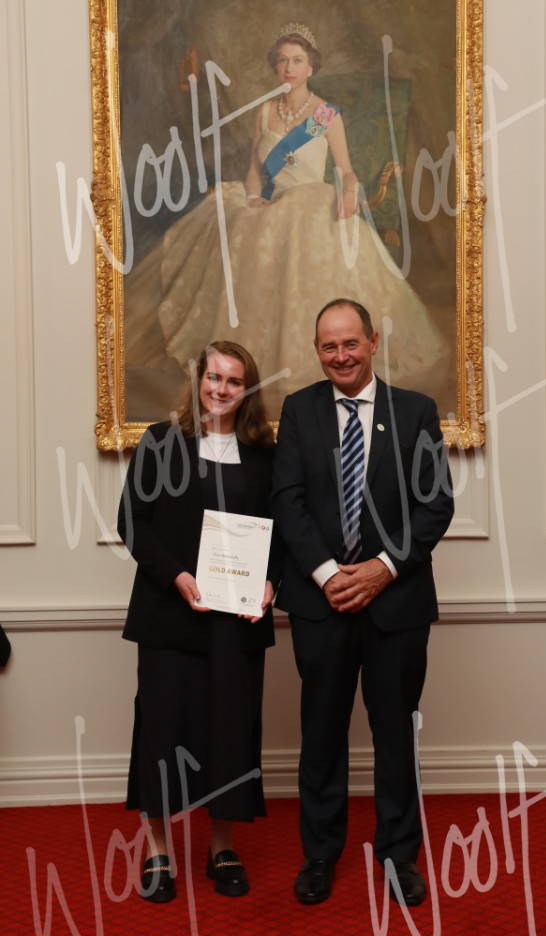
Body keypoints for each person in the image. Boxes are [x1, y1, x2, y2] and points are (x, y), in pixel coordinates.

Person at [125, 23, 449, 419]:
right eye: (282, 61)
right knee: (231, 226)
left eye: (297, 61)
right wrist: (253, 198)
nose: (289, 68)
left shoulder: (325, 115)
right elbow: (253, 171)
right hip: (269, 203)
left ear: (311, 67)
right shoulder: (264, 112)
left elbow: (346, 170)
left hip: (311, 203)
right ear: (275, 67)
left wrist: (349, 189)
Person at [271, 299, 454, 906]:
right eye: (329, 346)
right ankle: (320, 855)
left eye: (351, 343)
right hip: (321, 604)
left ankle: (399, 856)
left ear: (373, 342)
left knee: (395, 735)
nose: (341, 355)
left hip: (396, 605)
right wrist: (328, 575)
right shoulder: (299, 410)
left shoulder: (416, 411)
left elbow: (436, 504)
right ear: (317, 351)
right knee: (321, 735)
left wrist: (381, 569)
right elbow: (288, 501)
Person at [118, 340, 279, 903]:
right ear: (197, 380)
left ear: (247, 390)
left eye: (234, 380)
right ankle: (157, 848)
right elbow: (132, 521)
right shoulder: (160, 442)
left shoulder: (265, 455)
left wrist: (272, 583)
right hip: (170, 615)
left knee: (231, 732)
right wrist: (177, 576)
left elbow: (283, 530)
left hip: (236, 621)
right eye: (214, 377)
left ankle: (222, 846)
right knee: (162, 732)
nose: (221, 389)